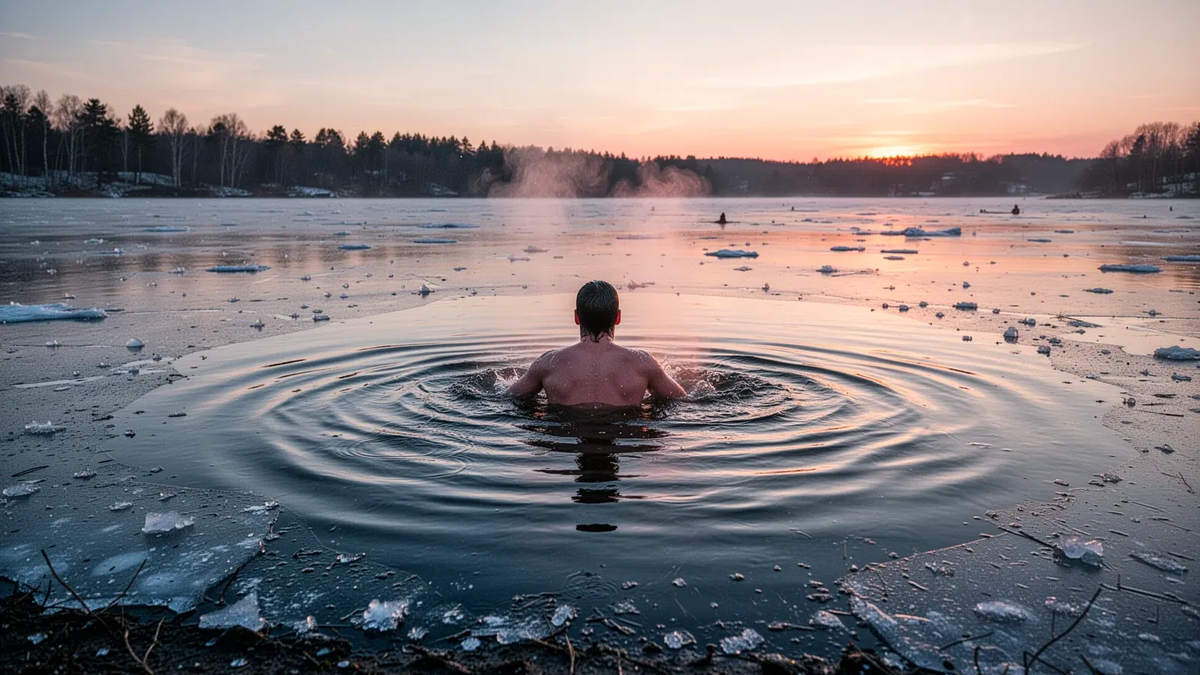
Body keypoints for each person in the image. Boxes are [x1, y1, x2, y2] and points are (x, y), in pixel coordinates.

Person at [507, 281, 687, 407]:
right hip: (624, 437)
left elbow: (510, 398)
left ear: (576, 317)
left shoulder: (548, 363)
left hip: (567, 439)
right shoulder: (643, 363)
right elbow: (681, 400)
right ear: (618, 317)